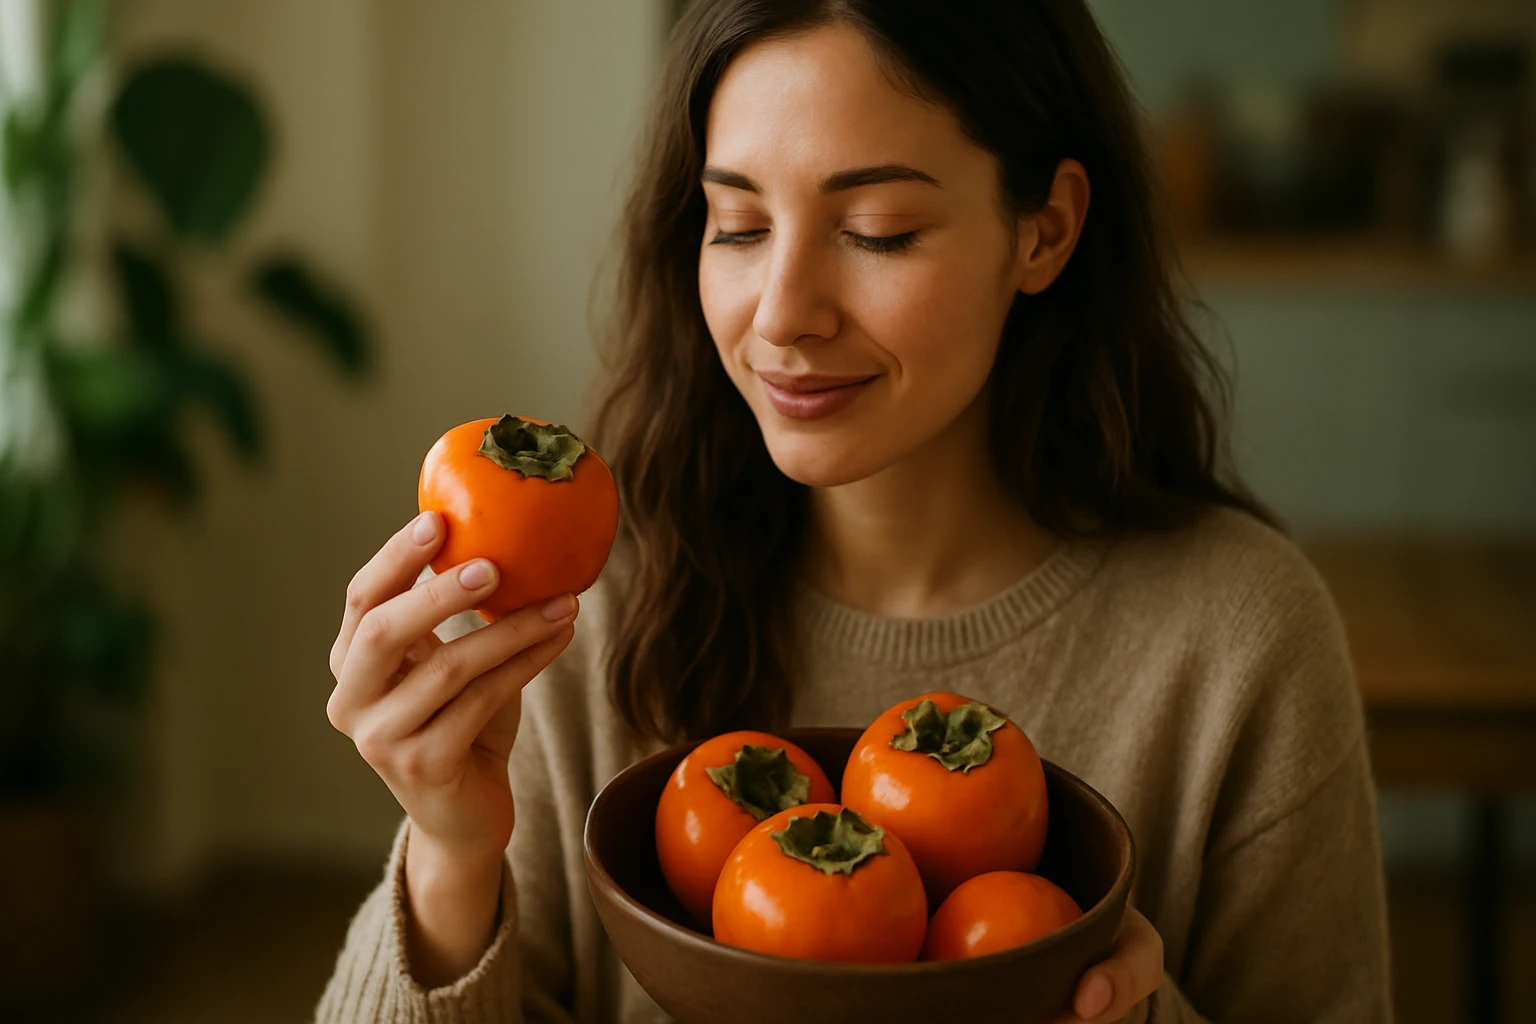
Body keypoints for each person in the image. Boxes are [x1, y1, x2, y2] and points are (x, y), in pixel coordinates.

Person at [316, 2, 1393, 1021]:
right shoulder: (586, 607)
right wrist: (450, 856)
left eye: (878, 231)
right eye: (739, 224)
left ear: (1045, 230)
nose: (782, 315)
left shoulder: (1241, 637)